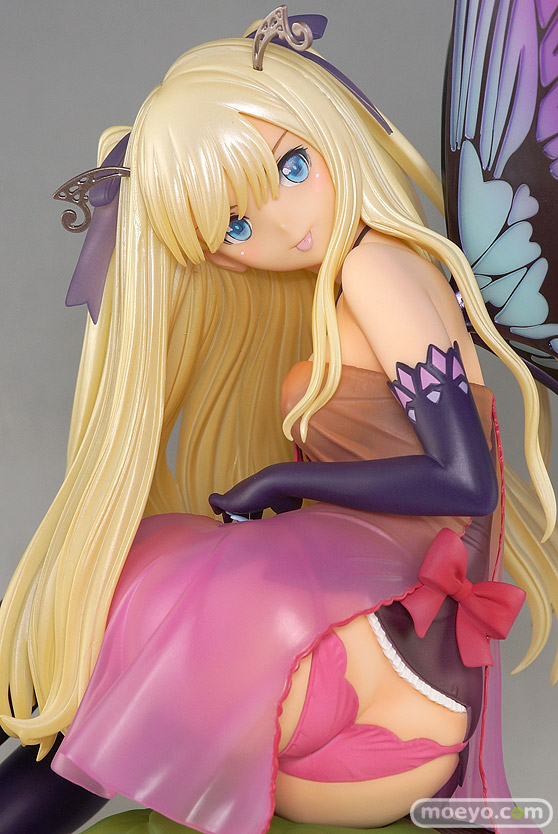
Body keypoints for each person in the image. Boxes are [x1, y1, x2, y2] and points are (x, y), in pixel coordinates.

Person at [0, 9, 554, 834]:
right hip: (383, 650)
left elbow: (465, 482)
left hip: (403, 683)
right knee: (137, 578)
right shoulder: (357, 280)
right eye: (236, 226)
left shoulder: (376, 268)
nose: (285, 224)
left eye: (293, 165)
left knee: (157, 607)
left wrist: (278, 479)